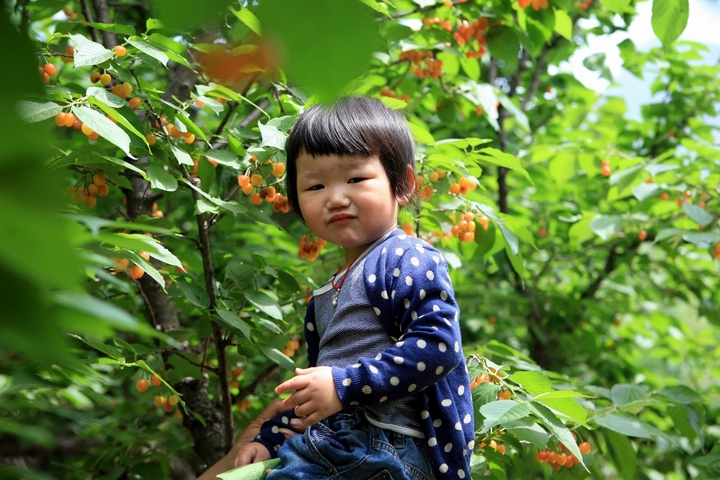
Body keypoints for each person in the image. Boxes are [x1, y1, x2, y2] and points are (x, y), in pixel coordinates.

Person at [234, 96, 475, 479]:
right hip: (330, 444)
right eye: (314, 186)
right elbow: (315, 390)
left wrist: (345, 384)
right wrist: (270, 438)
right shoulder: (324, 295)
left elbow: (439, 347)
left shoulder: (405, 256)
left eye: (356, 178)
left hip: (382, 447)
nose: (336, 197)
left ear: (403, 184)